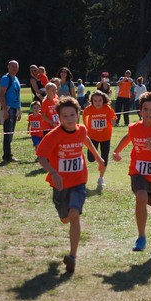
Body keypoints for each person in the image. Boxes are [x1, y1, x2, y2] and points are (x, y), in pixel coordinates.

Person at [36, 96, 105, 273]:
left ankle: (72, 256)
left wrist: (97, 157)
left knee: (74, 214)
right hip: (59, 184)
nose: (69, 119)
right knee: (64, 217)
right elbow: (41, 157)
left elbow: (85, 139)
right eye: (65, 116)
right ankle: (65, 217)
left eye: (72, 115)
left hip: (78, 181)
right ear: (59, 117)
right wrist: (53, 172)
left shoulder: (81, 129)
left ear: (78, 114)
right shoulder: (54, 135)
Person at [112, 92, 151, 252]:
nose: (148, 112)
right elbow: (128, 136)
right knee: (141, 197)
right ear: (140, 111)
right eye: (145, 109)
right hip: (138, 172)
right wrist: (117, 151)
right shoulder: (134, 127)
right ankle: (141, 237)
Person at [82, 90, 116, 188]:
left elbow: (113, 122)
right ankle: (98, 161)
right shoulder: (88, 109)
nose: (97, 103)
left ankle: (101, 178)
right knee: (91, 158)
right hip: (93, 137)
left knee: (104, 159)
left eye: (100, 100)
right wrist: (86, 128)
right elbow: (84, 117)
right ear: (92, 101)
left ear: (103, 100)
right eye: (95, 100)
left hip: (106, 137)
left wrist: (113, 121)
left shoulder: (108, 109)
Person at [0, 60, 21, 163]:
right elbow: (1, 94)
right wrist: (5, 110)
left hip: (14, 108)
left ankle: (8, 154)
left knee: (11, 132)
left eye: (16, 66)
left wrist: (19, 110)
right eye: (12, 66)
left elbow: (18, 95)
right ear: (8, 67)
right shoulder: (5, 78)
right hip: (8, 108)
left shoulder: (16, 79)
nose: (14, 68)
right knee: (7, 132)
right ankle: (7, 156)